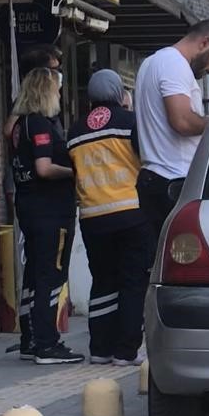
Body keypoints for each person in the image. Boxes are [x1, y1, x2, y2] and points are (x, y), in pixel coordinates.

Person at [68, 69, 153, 367]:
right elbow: (149, 159)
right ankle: (126, 351)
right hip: (130, 212)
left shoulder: (75, 130)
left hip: (92, 216)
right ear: (119, 93)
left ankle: (100, 349)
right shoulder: (131, 123)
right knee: (132, 282)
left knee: (103, 281)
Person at [10, 68, 82, 365]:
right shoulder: (40, 124)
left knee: (34, 274)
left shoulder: (19, 125)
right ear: (46, 91)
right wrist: (76, 171)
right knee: (51, 275)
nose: (60, 94)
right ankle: (47, 343)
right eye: (57, 89)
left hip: (28, 206)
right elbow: (43, 167)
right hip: (50, 210)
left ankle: (29, 337)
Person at [134, 20, 209, 234]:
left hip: (158, 179)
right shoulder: (174, 63)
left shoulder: (151, 62)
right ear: (205, 42)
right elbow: (182, 121)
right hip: (173, 182)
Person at [4, 44, 65, 140]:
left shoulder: (49, 105)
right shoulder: (28, 106)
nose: (58, 75)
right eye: (53, 71)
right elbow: (9, 130)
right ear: (38, 77)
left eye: (59, 70)